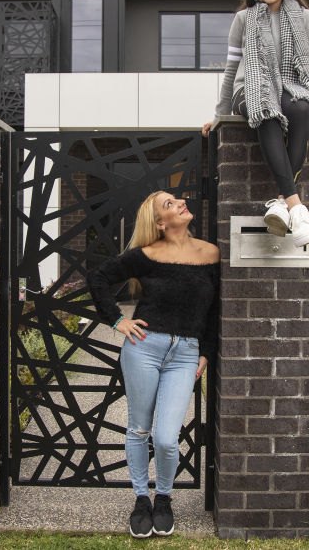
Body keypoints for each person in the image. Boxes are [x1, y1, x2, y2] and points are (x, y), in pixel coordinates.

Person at [87, 190, 219, 538]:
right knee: (139, 429)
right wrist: (117, 321)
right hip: (144, 348)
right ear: (161, 222)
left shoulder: (211, 253)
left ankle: (164, 496)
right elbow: (98, 277)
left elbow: (216, 309)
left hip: (186, 353)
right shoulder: (145, 255)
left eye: (177, 199)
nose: (181, 202)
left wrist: (206, 351)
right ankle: (142, 499)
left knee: (165, 437)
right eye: (170, 203)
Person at [202, 0, 309, 247]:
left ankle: (281, 203)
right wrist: (219, 114)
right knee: (265, 107)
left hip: (290, 87)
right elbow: (231, 71)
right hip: (250, 88)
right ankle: (296, 205)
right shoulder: (244, 19)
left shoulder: (305, 18)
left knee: (303, 108)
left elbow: (308, 67)